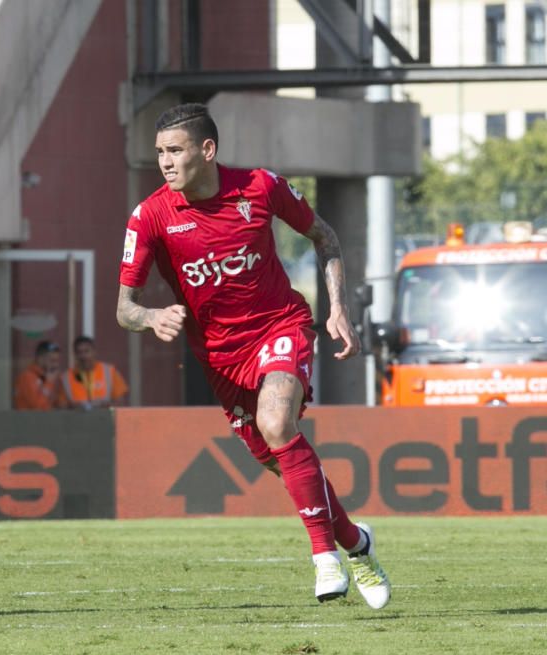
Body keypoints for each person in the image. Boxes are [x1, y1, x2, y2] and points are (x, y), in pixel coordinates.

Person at [116, 103, 391, 609]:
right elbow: (124, 309)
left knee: (276, 422)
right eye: (159, 153)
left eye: (174, 151)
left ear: (207, 150)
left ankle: (324, 557)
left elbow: (325, 238)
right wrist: (152, 318)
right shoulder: (151, 215)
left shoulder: (260, 187)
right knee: (278, 458)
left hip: (280, 326)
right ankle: (357, 542)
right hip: (221, 358)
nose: (165, 163)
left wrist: (338, 310)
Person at [60, 335, 128, 410]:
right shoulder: (66, 377)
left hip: (103, 419)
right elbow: (61, 406)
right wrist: (74, 407)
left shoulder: (109, 372)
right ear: (75, 355)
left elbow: (120, 402)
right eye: (79, 352)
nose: (83, 356)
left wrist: (105, 405)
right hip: (76, 419)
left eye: (86, 351)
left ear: (94, 352)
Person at [13, 340, 68, 410]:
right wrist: (49, 383)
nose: (56, 365)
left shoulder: (49, 376)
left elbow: (60, 404)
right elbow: (37, 408)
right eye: (52, 360)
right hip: (29, 419)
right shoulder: (27, 377)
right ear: (40, 358)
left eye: (57, 361)